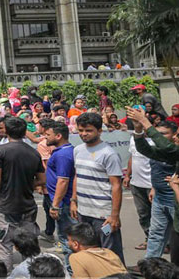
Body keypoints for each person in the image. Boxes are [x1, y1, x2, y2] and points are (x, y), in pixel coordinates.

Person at [0, 116, 45, 271]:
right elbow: (42, 179)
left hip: (7, 207)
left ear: (6, 131)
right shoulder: (33, 153)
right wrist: (27, 183)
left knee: (4, 247)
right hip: (28, 207)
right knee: (28, 246)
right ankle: (32, 275)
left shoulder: (0, 151)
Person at [127, 107, 179, 264]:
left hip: (174, 200)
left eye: (164, 134)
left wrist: (144, 121)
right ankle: (150, 266)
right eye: (159, 133)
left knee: (175, 237)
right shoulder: (163, 150)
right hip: (160, 198)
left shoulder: (173, 150)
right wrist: (138, 129)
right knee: (156, 233)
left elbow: (166, 147)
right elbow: (144, 149)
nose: (160, 137)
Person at [72, 112, 124, 262]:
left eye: (88, 130)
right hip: (84, 213)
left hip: (103, 217)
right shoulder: (78, 150)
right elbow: (77, 175)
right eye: (81, 130)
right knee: (88, 250)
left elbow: (116, 186)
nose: (84, 134)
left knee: (110, 252)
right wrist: (74, 201)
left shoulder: (109, 154)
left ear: (99, 131)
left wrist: (114, 216)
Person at [44, 120, 76, 262]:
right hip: (63, 201)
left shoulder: (62, 155)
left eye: (48, 135)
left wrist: (55, 205)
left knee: (67, 238)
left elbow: (63, 180)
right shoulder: (63, 152)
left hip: (64, 203)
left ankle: (72, 269)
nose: (45, 138)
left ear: (58, 136)